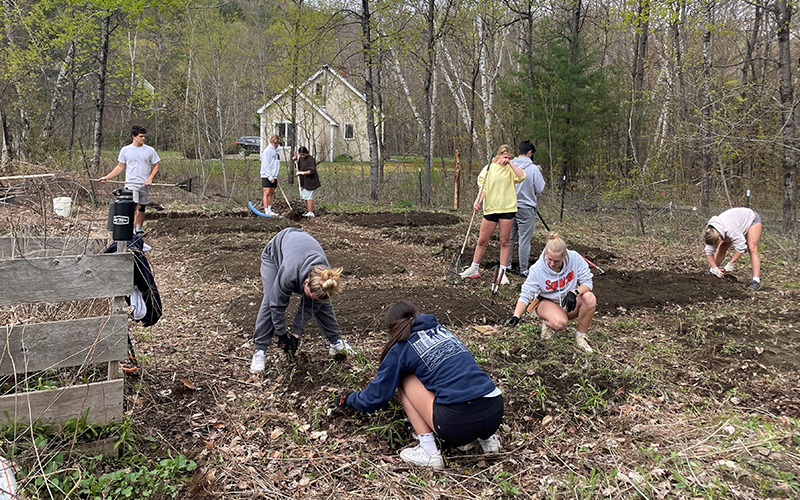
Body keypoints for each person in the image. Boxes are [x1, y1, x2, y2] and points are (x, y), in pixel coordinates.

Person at [334, 301, 503, 469]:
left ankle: (428, 452)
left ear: (392, 328)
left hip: (456, 424)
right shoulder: (442, 331)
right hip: (495, 412)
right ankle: (488, 441)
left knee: (405, 380)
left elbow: (375, 397)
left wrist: (348, 399)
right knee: (453, 376)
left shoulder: (401, 348)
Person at [250, 228, 354, 373]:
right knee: (269, 300)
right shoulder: (289, 273)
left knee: (322, 303)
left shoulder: (324, 277)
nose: (311, 299)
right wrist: (281, 335)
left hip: (299, 246)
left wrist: (295, 335)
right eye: (310, 294)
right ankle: (259, 351)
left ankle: (336, 341)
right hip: (274, 255)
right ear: (306, 282)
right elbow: (277, 305)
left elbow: (310, 307)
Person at [503, 233, 596, 353]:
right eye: (549, 259)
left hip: (567, 301)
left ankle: (581, 336)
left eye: (556, 261)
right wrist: (516, 315)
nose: (552, 264)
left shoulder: (575, 258)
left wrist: (575, 292)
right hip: (545, 302)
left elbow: (588, 283)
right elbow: (526, 294)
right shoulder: (537, 269)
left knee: (590, 298)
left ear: (564, 257)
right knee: (560, 324)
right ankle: (548, 323)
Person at [459, 144, 526, 284]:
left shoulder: (511, 169)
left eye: (509, 157)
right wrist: (478, 201)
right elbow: (484, 188)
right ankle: (474, 268)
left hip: (507, 209)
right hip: (491, 209)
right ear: (498, 155)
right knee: (482, 240)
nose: (506, 159)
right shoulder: (489, 168)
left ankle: (502, 272)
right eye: (504, 157)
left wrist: (511, 164)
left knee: (505, 241)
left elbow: (522, 177)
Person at [99, 125, 161, 235]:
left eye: (144, 136)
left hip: (145, 184)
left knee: (142, 207)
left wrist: (150, 178)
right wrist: (107, 177)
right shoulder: (126, 150)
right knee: (134, 206)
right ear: (134, 136)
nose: (143, 138)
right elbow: (120, 167)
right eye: (141, 136)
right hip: (131, 183)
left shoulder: (150, 150)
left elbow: (156, 165)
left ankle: (139, 229)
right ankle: (131, 230)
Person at [506, 140, 546, 276]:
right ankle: (523, 269)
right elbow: (540, 188)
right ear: (529, 152)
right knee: (524, 240)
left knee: (508, 238)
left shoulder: (509, 165)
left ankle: (506, 265)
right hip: (527, 209)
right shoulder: (533, 169)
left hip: (509, 207)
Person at [703, 207, 762, 290]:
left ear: (719, 236)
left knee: (751, 248)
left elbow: (741, 247)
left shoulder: (731, 230)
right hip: (733, 223)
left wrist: (731, 263)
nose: (715, 244)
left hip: (751, 219)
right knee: (722, 246)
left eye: (717, 241)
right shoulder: (710, 231)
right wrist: (714, 268)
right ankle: (712, 272)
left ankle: (756, 280)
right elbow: (708, 251)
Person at [294, 146, 320, 217]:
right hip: (304, 181)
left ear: (306, 153)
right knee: (305, 196)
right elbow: (298, 167)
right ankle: (308, 210)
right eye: (300, 155)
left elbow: (312, 171)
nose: (302, 156)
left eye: (303, 154)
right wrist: (295, 161)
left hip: (311, 181)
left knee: (309, 196)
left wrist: (303, 173)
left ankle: (311, 212)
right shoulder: (301, 159)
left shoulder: (310, 159)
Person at [260, 135, 281, 216]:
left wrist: (275, 175)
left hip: (274, 175)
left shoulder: (278, 150)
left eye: (278, 144)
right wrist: (269, 176)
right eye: (275, 144)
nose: (276, 145)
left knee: (272, 192)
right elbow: (266, 164)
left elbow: (277, 163)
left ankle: (269, 209)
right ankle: (266, 210)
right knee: (267, 191)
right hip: (266, 174)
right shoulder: (267, 151)